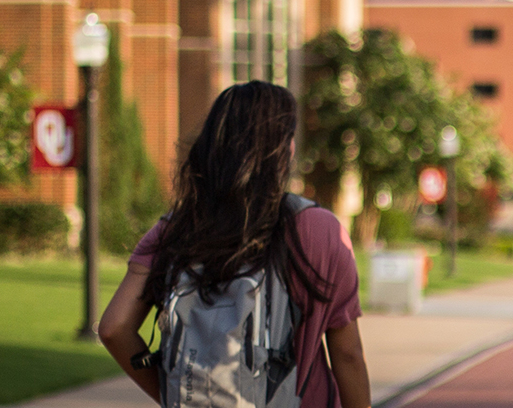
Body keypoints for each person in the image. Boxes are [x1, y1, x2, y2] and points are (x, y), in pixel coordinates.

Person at [98, 81, 371, 408]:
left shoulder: (175, 227)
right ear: (284, 148)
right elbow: (348, 354)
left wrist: (174, 392)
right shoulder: (318, 228)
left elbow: (114, 328)